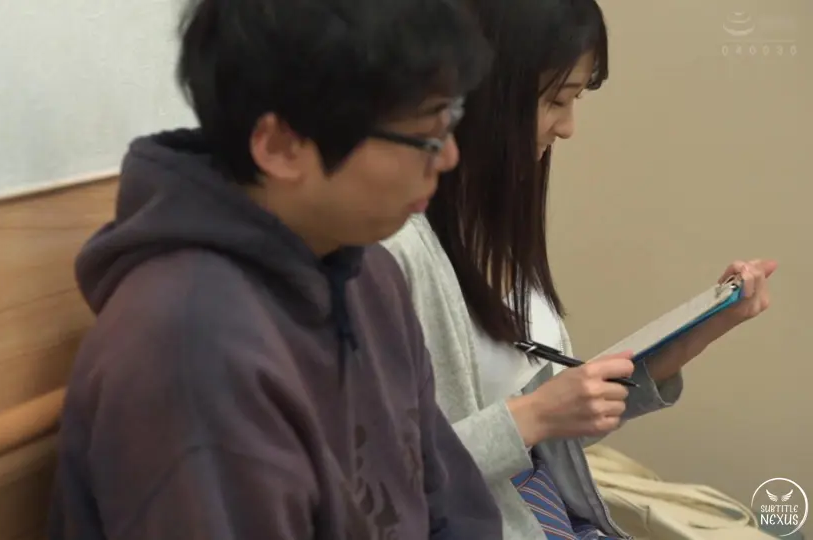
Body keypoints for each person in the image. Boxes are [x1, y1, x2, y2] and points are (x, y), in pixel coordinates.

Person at [46, 0, 506, 538]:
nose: (448, 157)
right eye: (426, 136)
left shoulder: (368, 271)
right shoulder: (189, 347)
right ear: (282, 146)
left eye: (450, 120)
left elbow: (455, 509)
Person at [382, 0, 777, 538]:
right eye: (556, 100)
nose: (568, 127)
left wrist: (702, 328)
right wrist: (536, 415)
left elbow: (550, 437)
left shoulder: (490, 232)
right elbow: (384, 481)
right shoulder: (395, 250)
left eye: (574, 99)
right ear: (487, 94)